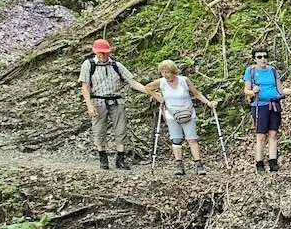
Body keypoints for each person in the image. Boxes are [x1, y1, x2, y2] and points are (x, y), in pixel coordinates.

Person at [79, 38, 153, 170]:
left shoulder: (116, 65)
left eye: (105, 53)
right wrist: (89, 105)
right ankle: (103, 158)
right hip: (98, 100)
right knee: (99, 129)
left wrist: (150, 92)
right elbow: (85, 86)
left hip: (117, 101)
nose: (103, 55)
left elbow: (132, 82)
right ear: (95, 52)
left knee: (121, 129)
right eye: (100, 53)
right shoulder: (89, 65)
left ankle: (120, 159)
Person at [147, 60, 216, 176]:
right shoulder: (161, 82)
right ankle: (179, 165)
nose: (165, 75)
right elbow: (148, 88)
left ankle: (199, 165)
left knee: (192, 139)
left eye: (167, 72)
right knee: (176, 139)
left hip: (188, 113)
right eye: (162, 72)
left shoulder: (184, 80)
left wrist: (208, 103)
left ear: (173, 71)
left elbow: (196, 93)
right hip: (172, 115)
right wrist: (158, 97)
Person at [243, 47, 291, 174]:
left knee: (273, 133)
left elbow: (280, 90)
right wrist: (253, 91)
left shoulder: (273, 70)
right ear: (254, 59)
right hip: (259, 105)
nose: (263, 59)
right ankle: (259, 163)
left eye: (265, 56)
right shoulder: (251, 71)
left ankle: (273, 162)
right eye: (259, 57)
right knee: (261, 135)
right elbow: (246, 90)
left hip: (274, 104)